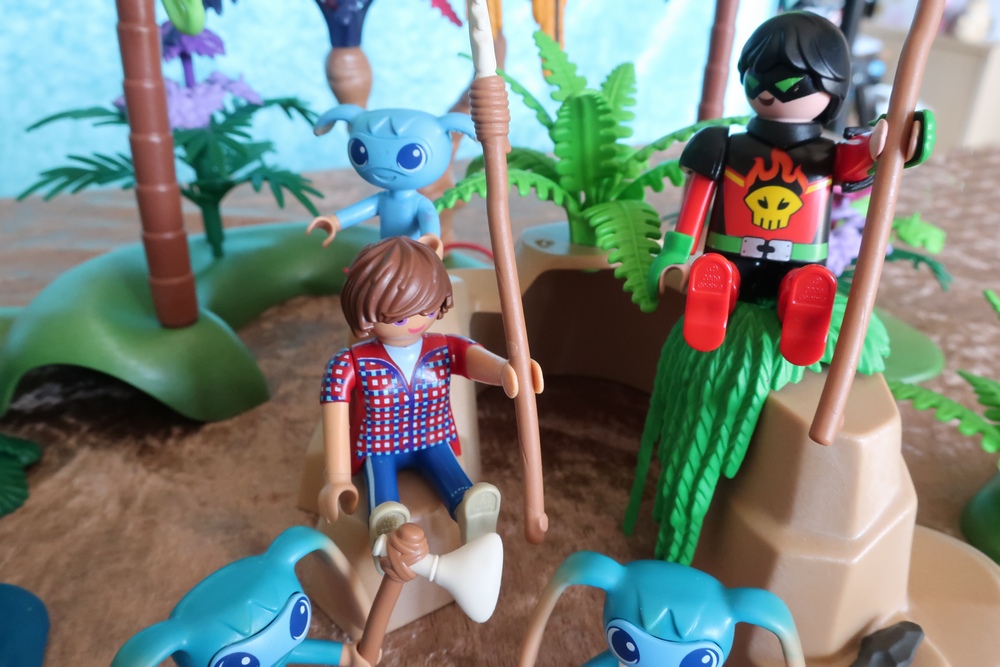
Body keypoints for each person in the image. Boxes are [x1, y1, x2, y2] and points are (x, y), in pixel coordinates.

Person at [650, 11, 930, 366]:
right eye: (757, 79)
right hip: (730, 254)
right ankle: (719, 285)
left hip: (801, 258)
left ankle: (803, 298)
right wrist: (677, 251)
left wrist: (886, 142)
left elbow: (863, 159)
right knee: (720, 270)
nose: (767, 92)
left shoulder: (828, 154)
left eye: (787, 82)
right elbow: (697, 198)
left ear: (832, 87)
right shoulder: (720, 143)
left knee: (802, 282)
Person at [318, 236, 542, 544]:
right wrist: (338, 478)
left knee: (453, 475)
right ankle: (387, 529)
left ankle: (470, 511)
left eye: (425, 309)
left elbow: (472, 358)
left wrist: (507, 371)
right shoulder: (350, 362)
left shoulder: (442, 347)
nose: (414, 322)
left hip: (431, 437)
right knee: (383, 495)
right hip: (378, 447)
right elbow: (334, 417)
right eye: (399, 317)